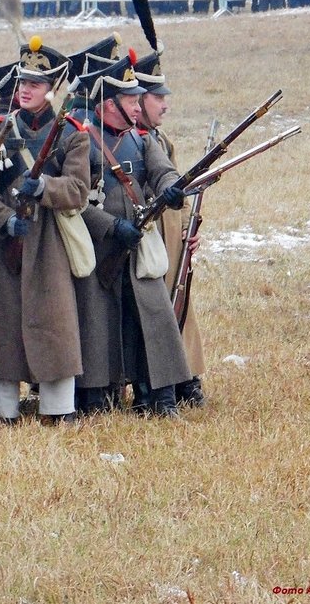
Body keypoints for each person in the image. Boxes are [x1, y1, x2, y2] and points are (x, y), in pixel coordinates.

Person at [0, 38, 90, 424]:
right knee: (1, 328)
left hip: (49, 240)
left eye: (35, 83)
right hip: (6, 241)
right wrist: (4, 220)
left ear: (51, 87)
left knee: (55, 326)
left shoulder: (72, 133)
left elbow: (78, 190)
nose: (25, 89)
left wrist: (45, 188)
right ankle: (2, 409)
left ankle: (58, 407)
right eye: (22, 82)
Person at [73, 56, 191, 418]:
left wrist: (171, 190)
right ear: (110, 105)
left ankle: (161, 395)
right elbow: (75, 200)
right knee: (97, 323)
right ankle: (95, 398)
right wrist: (110, 227)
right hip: (99, 247)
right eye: (131, 101)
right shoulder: (82, 140)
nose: (139, 106)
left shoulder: (140, 141)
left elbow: (164, 173)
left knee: (155, 317)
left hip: (137, 244)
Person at [133, 61, 206, 407]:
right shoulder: (132, 141)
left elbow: (178, 185)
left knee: (182, 308)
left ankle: (187, 376)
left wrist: (191, 229)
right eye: (157, 96)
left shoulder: (161, 139)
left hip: (173, 238)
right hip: (148, 239)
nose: (164, 104)